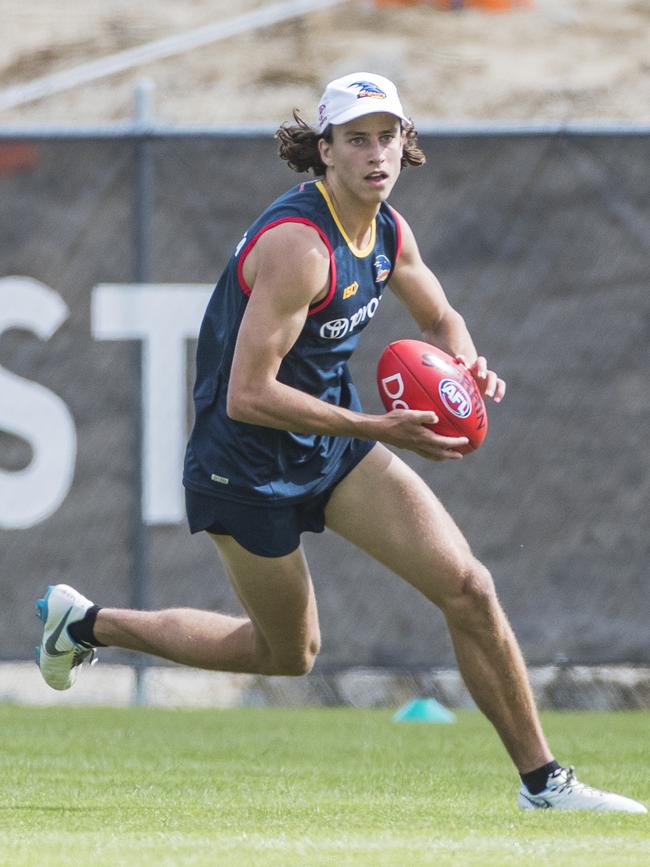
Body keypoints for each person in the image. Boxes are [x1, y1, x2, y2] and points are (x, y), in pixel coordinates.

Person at [35, 72, 645, 813]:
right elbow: (248, 394)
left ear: (405, 144)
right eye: (357, 138)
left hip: (334, 445)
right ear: (324, 151)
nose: (376, 152)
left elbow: (440, 314)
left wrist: (465, 363)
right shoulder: (301, 246)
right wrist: (375, 426)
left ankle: (545, 785)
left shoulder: (388, 229)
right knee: (287, 655)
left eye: (388, 135)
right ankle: (90, 622)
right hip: (246, 466)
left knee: (469, 587)